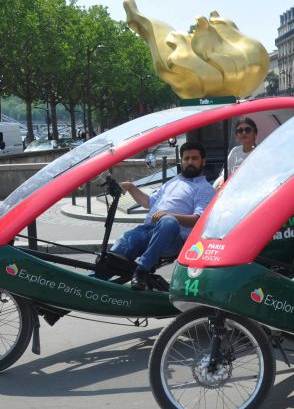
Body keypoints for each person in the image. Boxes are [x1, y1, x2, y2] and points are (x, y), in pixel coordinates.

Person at [105, 142, 215, 290]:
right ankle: (89, 283)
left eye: (194, 158)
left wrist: (168, 215)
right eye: (186, 158)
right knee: (119, 249)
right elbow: (148, 202)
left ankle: (142, 271)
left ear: (203, 161)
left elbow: (198, 220)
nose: (190, 162)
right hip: (148, 230)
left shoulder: (205, 189)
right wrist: (130, 187)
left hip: (172, 238)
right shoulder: (173, 181)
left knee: (168, 222)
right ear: (181, 162)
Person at [214, 117, 257, 189]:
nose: (244, 133)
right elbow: (225, 174)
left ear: (255, 133)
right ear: (236, 135)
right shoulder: (235, 151)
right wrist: (220, 186)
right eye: (240, 130)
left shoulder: (260, 152)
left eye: (247, 130)